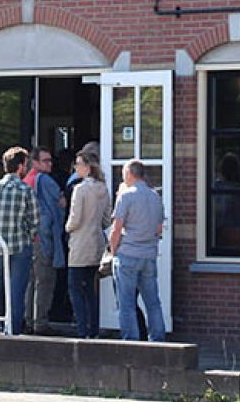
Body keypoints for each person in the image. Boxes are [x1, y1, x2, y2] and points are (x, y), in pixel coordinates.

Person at [0, 146, 37, 335]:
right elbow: (35, 220)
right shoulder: (26, 190)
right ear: (21, 166)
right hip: (20, 246)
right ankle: (12, 331)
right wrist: (27, 237)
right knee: (16, 291)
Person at [109, 159, 165, 342]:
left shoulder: (125, 196)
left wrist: (113, 250)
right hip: (148, 255)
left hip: (128, 255)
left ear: (129, 174)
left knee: (126, 304)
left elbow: (116, 228)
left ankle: (130, 342)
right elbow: (158, 229)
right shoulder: (155, 196)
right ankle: (158, 339)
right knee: (153, 303)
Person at [64, 147, 110, 339]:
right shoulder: (103, 188)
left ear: (88, 168)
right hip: (96, 242)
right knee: (91, 291)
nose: (76, 167)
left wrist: (66, 228)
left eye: (79, 164)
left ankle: (82, 329)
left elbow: (74, 220)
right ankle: (93, 328)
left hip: (80, 243)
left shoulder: (80, 189)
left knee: (75, 288)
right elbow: (107, 219)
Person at [24, 146, 66, 335]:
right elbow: (58, 208)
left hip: (28, 239)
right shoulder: (46, 181)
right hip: (43, 240)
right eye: (45, 161)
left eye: (50, 160)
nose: (50, 164)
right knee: (45, 281)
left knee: (31, 282)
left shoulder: (26, 180)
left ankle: (28, 319)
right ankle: (40, 322)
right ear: (35, 162)